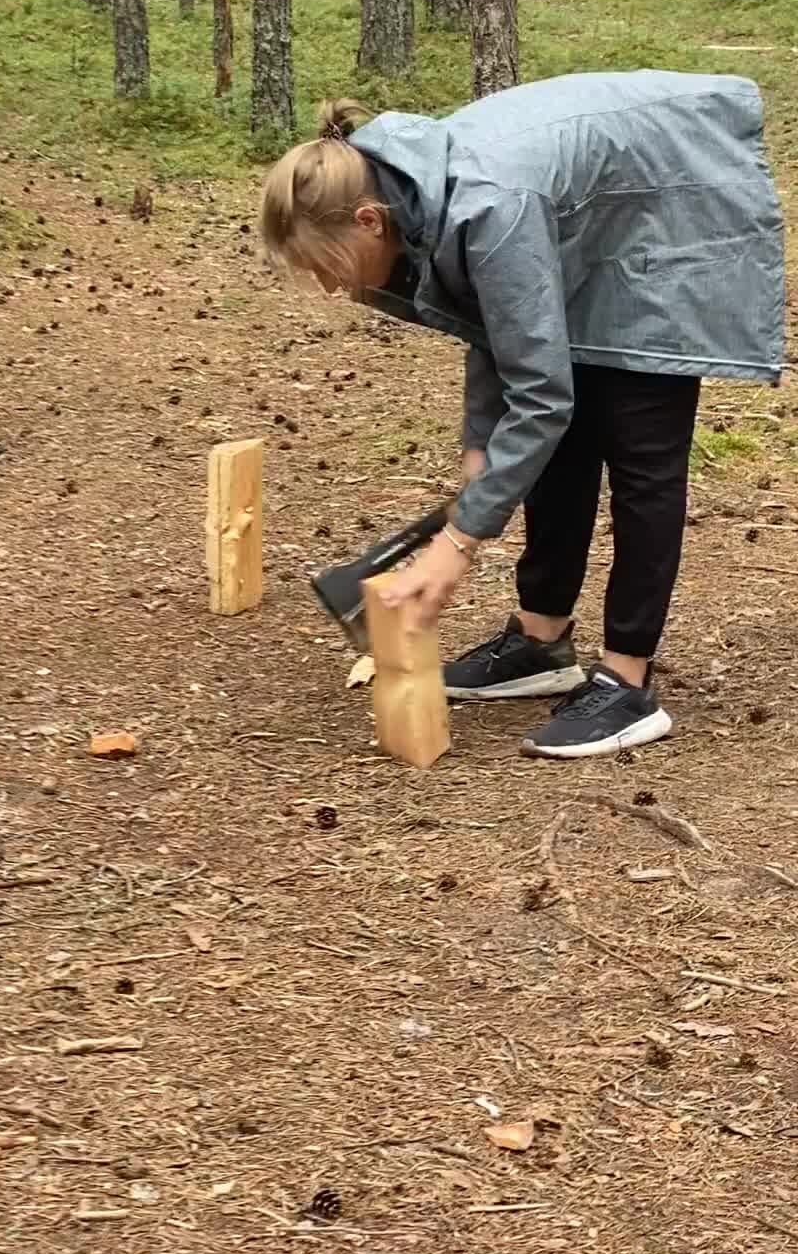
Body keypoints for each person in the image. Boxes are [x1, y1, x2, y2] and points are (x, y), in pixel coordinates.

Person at [260, 71, 785, 760]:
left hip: (675, 209)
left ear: (366, 219)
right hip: (597, 229)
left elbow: (540, 394)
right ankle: (542, 643)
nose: (329, 285)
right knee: (561, 446)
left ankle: (629, 683)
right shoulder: (414, 189)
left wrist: (458, 544)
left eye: (325, 265)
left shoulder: (486, 201)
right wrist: (481, 441)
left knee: (640, 446)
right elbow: (492, 319)